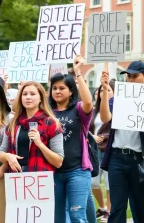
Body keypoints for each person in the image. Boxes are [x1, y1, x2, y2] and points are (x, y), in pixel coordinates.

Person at [101, 61, 144, 223]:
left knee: (141, 206)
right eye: (128, 76)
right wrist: (104, 92)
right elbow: (105, 117)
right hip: (117, 158)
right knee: (117, 207)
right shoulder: (118, 98)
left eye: (134, 76)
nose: (130, 79)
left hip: (140, 161)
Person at [48, 55, 94, 223]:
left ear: (71, 91)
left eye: (62, 88)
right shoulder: (46, 113)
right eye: (54, 88)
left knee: (77, 216)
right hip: (53, 173)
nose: (58, 91)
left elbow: (88, 101)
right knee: (57, 218)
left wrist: (78, 73)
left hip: (77, 171)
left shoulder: (79, 110)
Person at [0, 81, 63, 173]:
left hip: (40, 178)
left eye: (32, 94)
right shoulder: (13, 123)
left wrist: (40, 144)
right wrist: (7, 156)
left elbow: (58, 162)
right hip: (15, 178)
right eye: (24, 94)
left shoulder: (51, 123)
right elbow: (1, 153)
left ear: (41, 98)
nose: (28, 97)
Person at [89, 79, 115, 222]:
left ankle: (110, 211)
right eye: (101, 90)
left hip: (109, 150)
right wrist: (93, 137)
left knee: (109, 182)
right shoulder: (93, 111)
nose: (103, 93)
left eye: (108, 90)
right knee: (93, 182)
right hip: (94, 150)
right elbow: (87, 129)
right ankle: (102, 207)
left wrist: (103, 137)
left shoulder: (116, 109)